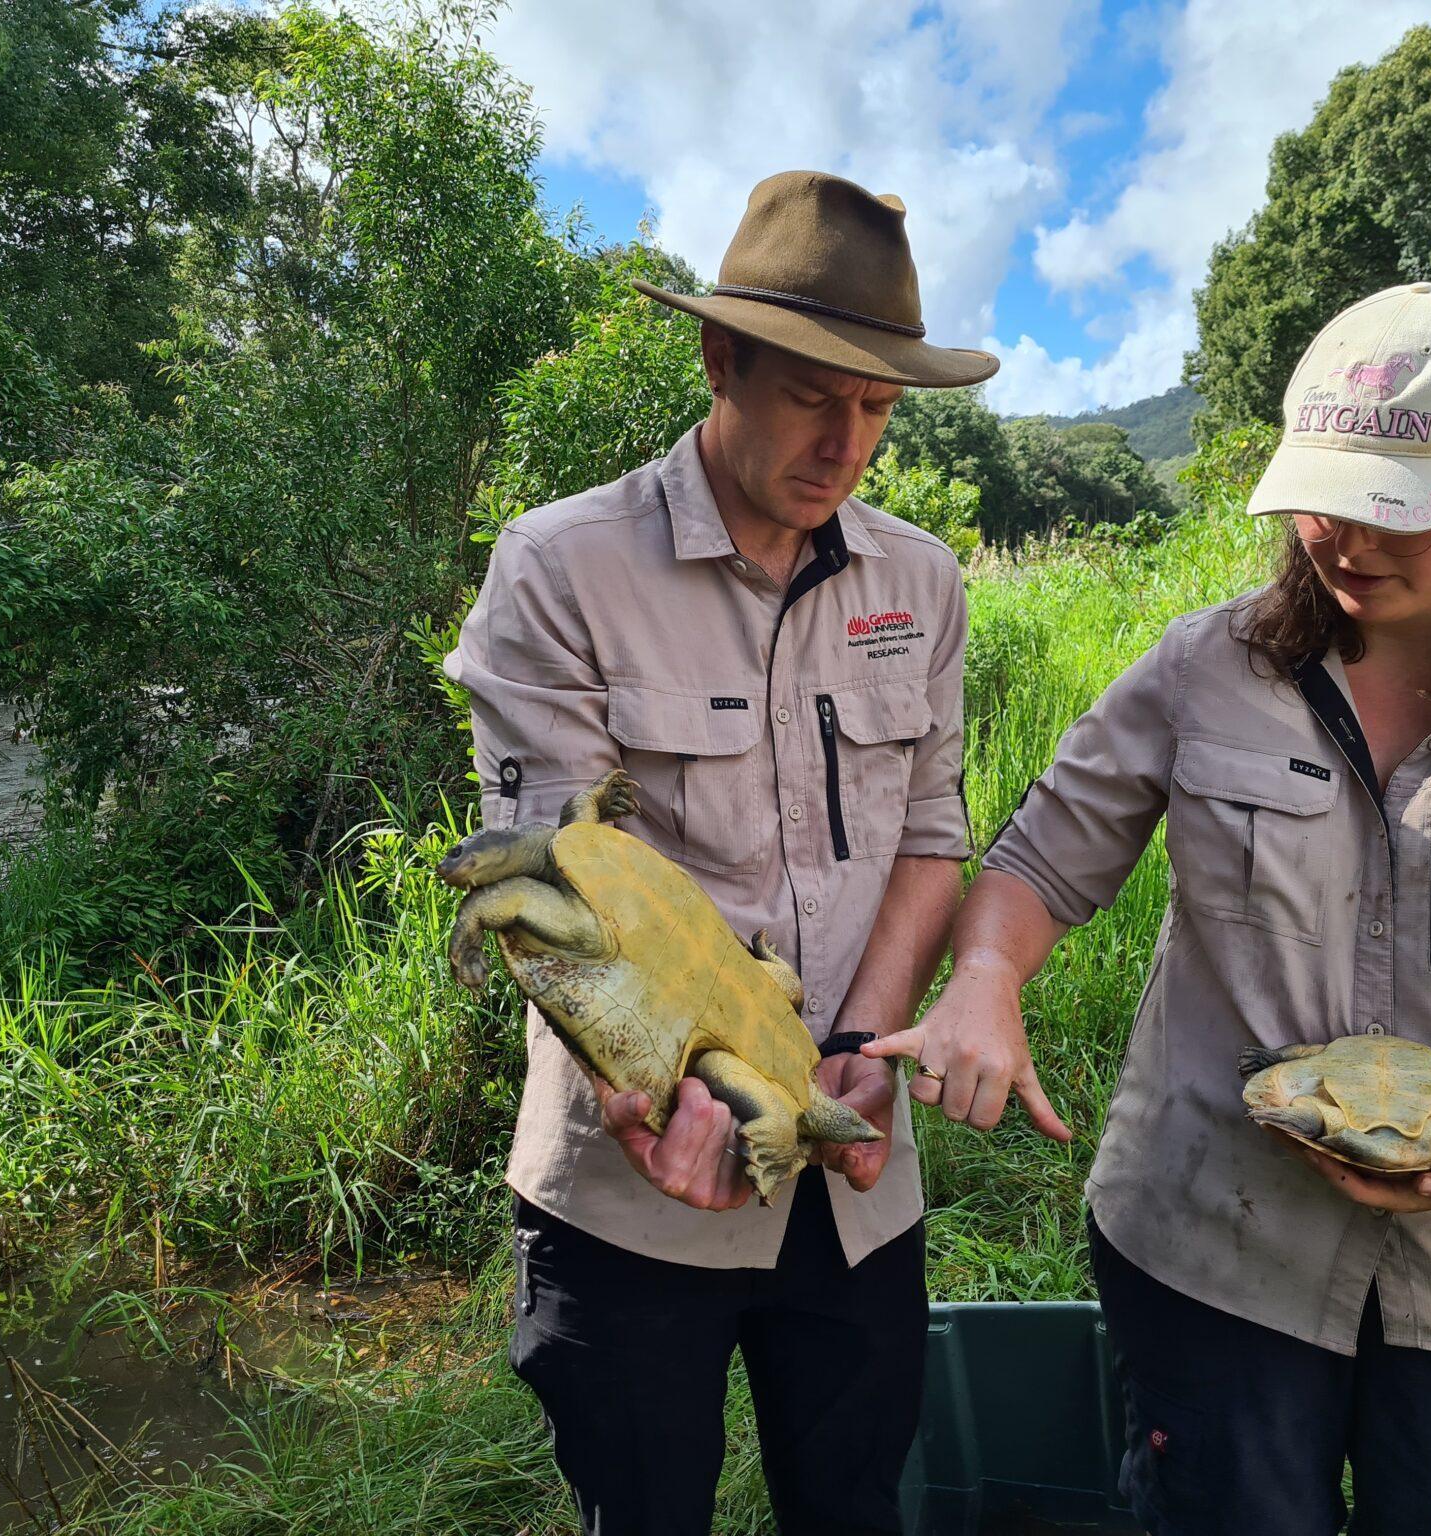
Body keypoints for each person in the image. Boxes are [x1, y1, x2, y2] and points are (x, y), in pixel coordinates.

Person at [867, 282, 1431, 1535]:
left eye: (1398, 510)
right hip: (1212, 1248)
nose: (1346, 541)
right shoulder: (1199, 670)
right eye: (1323, 497)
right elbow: (1039, 862)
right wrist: (985, 983)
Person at [445, 170, 993, 1536]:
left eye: (878, 407)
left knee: (853, 1501)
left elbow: (931, 838)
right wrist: (657, 1089)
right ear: (719, 357)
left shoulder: (920, 584)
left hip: (852, 1175)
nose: (848, 441)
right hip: (634, 1185)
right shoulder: (562, 568)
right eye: (814, 394)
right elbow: (549, 880)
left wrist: (861, 1041)